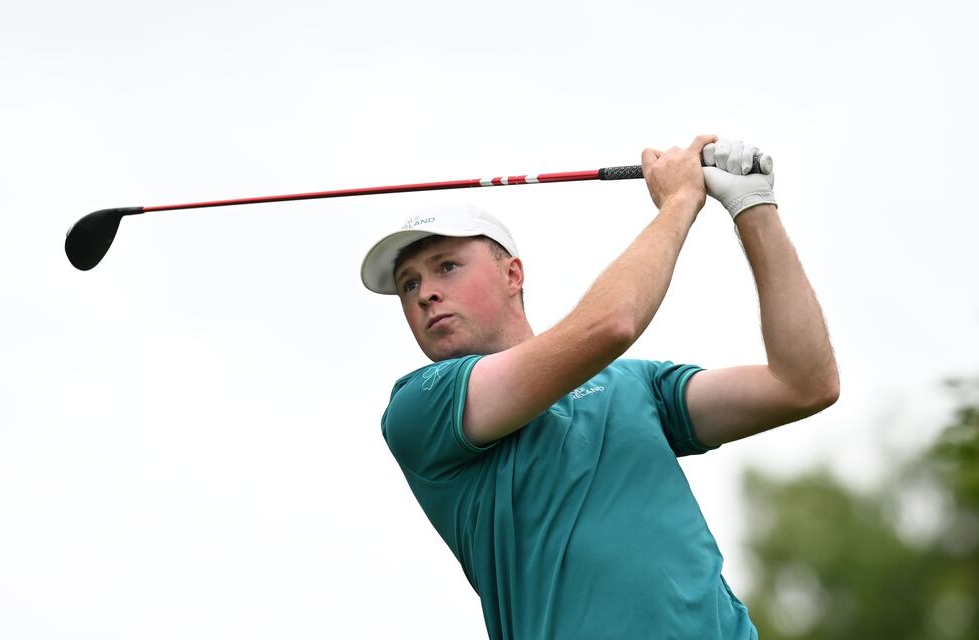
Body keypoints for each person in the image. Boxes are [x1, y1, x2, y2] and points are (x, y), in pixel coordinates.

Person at [359, 135, 839, 639]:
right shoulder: (421, 407)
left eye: (446, 267)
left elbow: (802, 384)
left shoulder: (634, 384)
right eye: (409, 283)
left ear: (513, 274)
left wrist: (752, 205)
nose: (426, 293)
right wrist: (679, 201)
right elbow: (609, 325)